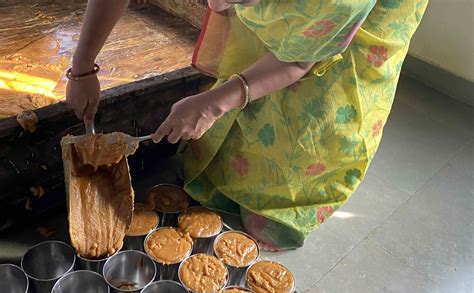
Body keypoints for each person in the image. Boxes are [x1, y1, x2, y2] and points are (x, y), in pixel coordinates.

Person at [67, 0, 428, 250]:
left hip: (342, 26)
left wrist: (215, 103)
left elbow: (301, 58)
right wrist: (82, 66)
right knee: (252, 72)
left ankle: (282, 200)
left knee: (313, 107)